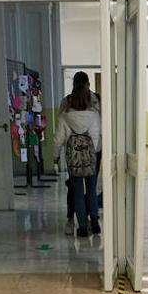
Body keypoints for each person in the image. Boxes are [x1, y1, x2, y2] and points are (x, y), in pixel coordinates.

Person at [54, 76, 102, 237]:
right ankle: (94, 219)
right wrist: (91, 154)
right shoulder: (94, 116)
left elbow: (58, 140)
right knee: (91, 188)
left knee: (77, 191)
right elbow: (96, 136)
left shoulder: (64, 116)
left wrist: (55, 157)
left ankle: (82, 226)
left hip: (73, 159)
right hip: (91, 157)